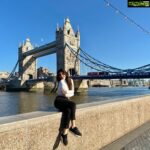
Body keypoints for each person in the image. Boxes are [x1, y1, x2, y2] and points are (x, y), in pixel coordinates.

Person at [54, 69, 82, 146]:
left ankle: (64, 134)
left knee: (68, 111)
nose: (61, 76)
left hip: (65, 101)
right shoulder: (61, 82)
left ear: (65, 74)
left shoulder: (69, 81)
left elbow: (71, 93)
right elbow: (67, 93)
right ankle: (73, 126)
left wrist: (70, 91)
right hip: (59, 101)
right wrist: (71, 92)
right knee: (73, 104)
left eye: (63, 74)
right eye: (59, 75)